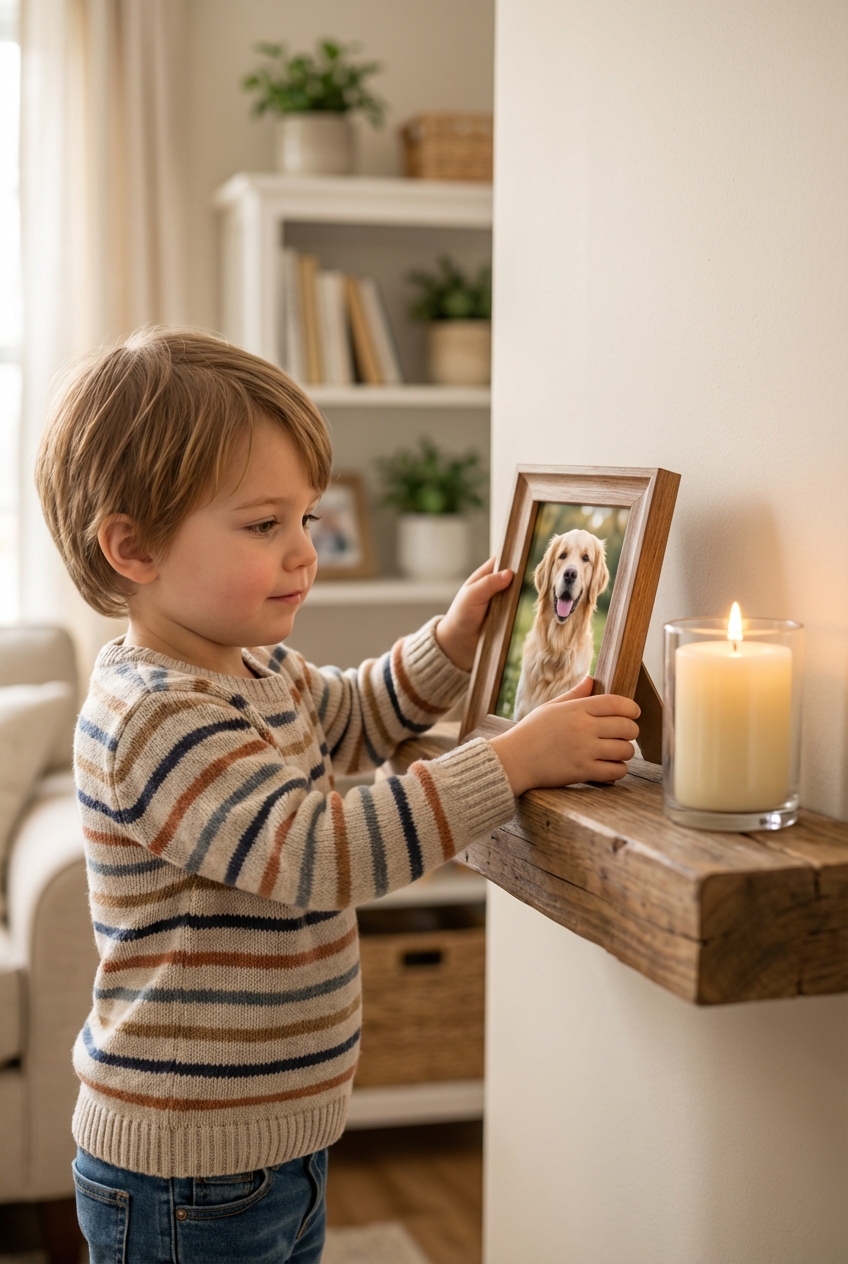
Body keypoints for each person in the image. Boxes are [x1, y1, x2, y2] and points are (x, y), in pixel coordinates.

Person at [35, 328, 640, 1264]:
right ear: (134, 547)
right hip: (188, 1170)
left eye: (307, 520)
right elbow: (323, 852)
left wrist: (450, 644)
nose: (303, 553)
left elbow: (355, 716)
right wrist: (511, 761)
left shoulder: (256, 669)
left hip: (273, 1144)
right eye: (263, 525)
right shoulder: (154, 717)